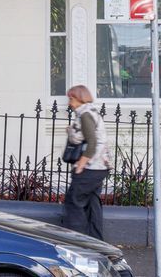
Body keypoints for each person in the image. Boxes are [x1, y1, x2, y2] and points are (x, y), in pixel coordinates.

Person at [60, 85, 109, 239]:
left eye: (71, 99)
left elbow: (92, 142)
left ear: (80, 98)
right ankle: (96, 241)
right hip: (101, 166)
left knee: (74, 201)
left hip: (91, 167)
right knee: (92, 203)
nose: (69, 103)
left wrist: (81, 165)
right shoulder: (90, 112)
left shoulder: (85, 114)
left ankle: (77, 240)